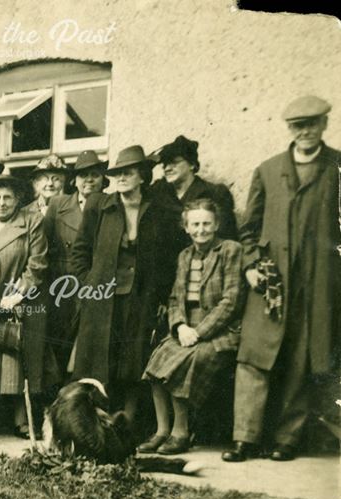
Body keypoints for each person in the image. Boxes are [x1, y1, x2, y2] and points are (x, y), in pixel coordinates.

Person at [223, 95, 341, 462]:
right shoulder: (268, 170)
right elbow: (249, 227)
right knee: (254, 358)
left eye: (311, 123)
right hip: (270, 281)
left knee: (300, 358)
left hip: (317, 284)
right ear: (288, 129)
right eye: (297, 125)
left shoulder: (336, 167)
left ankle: (287, 439)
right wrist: (251, 265)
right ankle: (245, 438)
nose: (304, 131)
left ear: (324, 124)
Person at [68, 145, 187, 421]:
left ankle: (128, 418)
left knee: (133, 357)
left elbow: (171, 258)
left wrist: (161, 297)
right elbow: (80, 251)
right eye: (118, 173)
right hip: (101, 296)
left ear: (143, 176)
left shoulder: (159, 210)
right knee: (98, 358)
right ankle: (94, 418)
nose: (121, 178)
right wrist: (87, 285)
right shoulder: (100, 206)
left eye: (128, 172)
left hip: (141, 295)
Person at [141, 199, 244, 454]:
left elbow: (230, 302)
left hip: (221, 333)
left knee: (186, 362)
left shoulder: (231, 250)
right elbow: (175, 298)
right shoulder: (185, 255)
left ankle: (181, 432)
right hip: (187, 329)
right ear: (186, 227)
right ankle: (162, 431)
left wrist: (199, 332)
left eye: (207, 223)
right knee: (157, 361)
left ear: (217, 224)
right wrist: (179, 327)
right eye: (195, 224)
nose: (201, 230)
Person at [0, 174, 56, 438]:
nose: (1, 204)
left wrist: (19, 294)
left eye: (7, 198)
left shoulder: (31, 222)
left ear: (18, 201)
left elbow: (37, 263)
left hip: (17, 298)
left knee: (14, 355)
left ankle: (22, 418)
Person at [43, 150, 106, 373]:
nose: (89, 180)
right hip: (62, 282)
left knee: (88, 350)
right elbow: (45, 247)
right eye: (83, 175)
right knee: (59, 344)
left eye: (94, 174)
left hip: (94, 283)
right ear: (74, 180)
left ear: (102, 178)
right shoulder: (58, 204)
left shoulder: (109, 205)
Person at [151, 136, 238, 240]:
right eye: (164, 165)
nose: (167, 168)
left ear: (192, 164)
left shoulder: (215, 193)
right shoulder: (159, 192)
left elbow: (227, 236)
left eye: (174, 162)